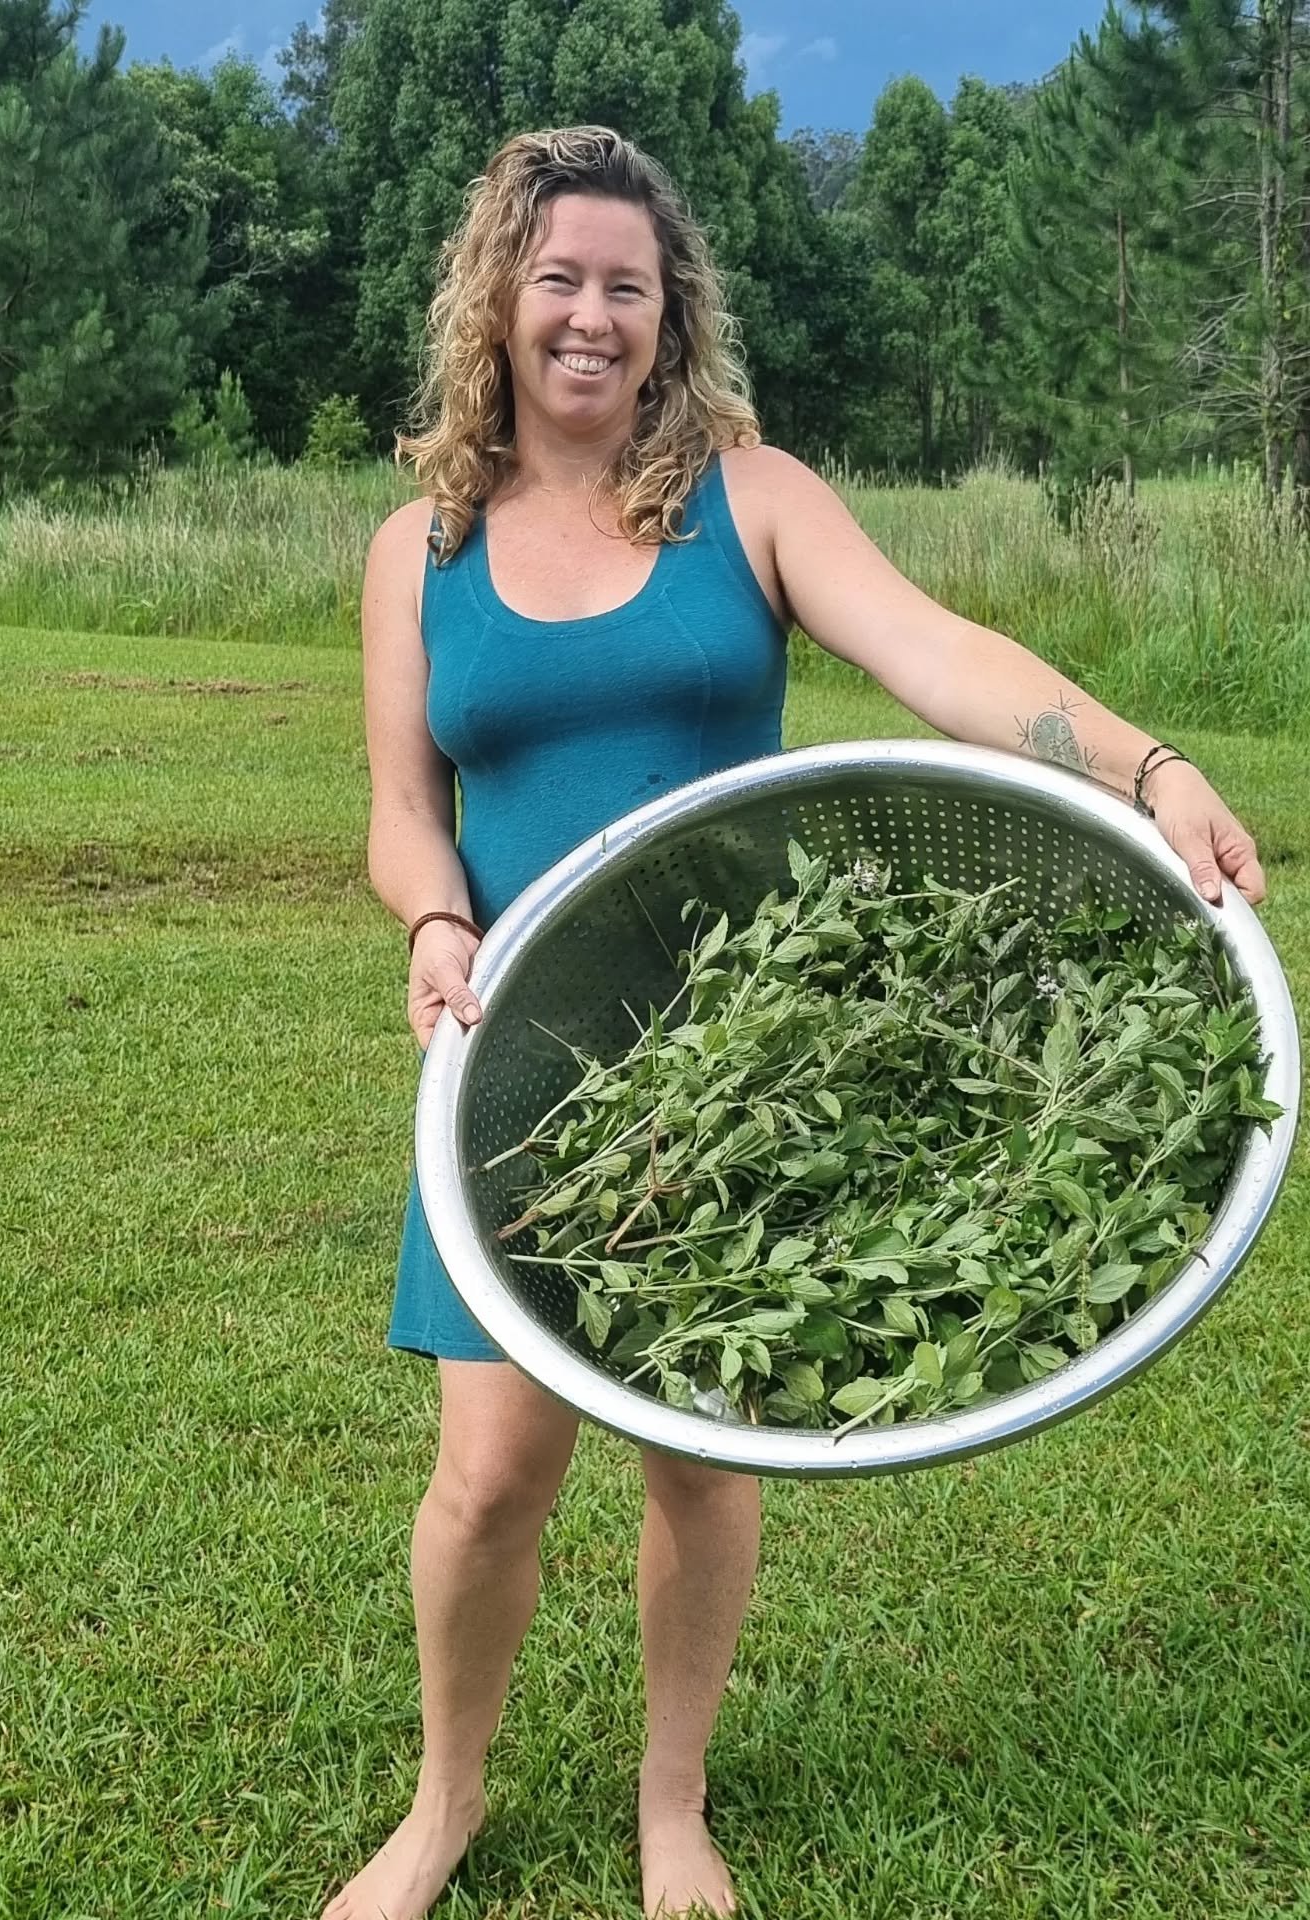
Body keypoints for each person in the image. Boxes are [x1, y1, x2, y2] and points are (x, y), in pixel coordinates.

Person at [328, 125, 1267, 1920]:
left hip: (751, 1061)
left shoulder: (748, 497)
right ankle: (444, 1799)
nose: (590, 316)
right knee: (488, 1476)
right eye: (559, 280)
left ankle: (671, 1799)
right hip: (526, 1078)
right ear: (498, 301)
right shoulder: (419, 544)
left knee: (698, 1453)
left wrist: (1142, 764)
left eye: (626, 283)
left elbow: (939, 654)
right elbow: (400, 804)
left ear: (670, 310)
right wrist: (434, 916)